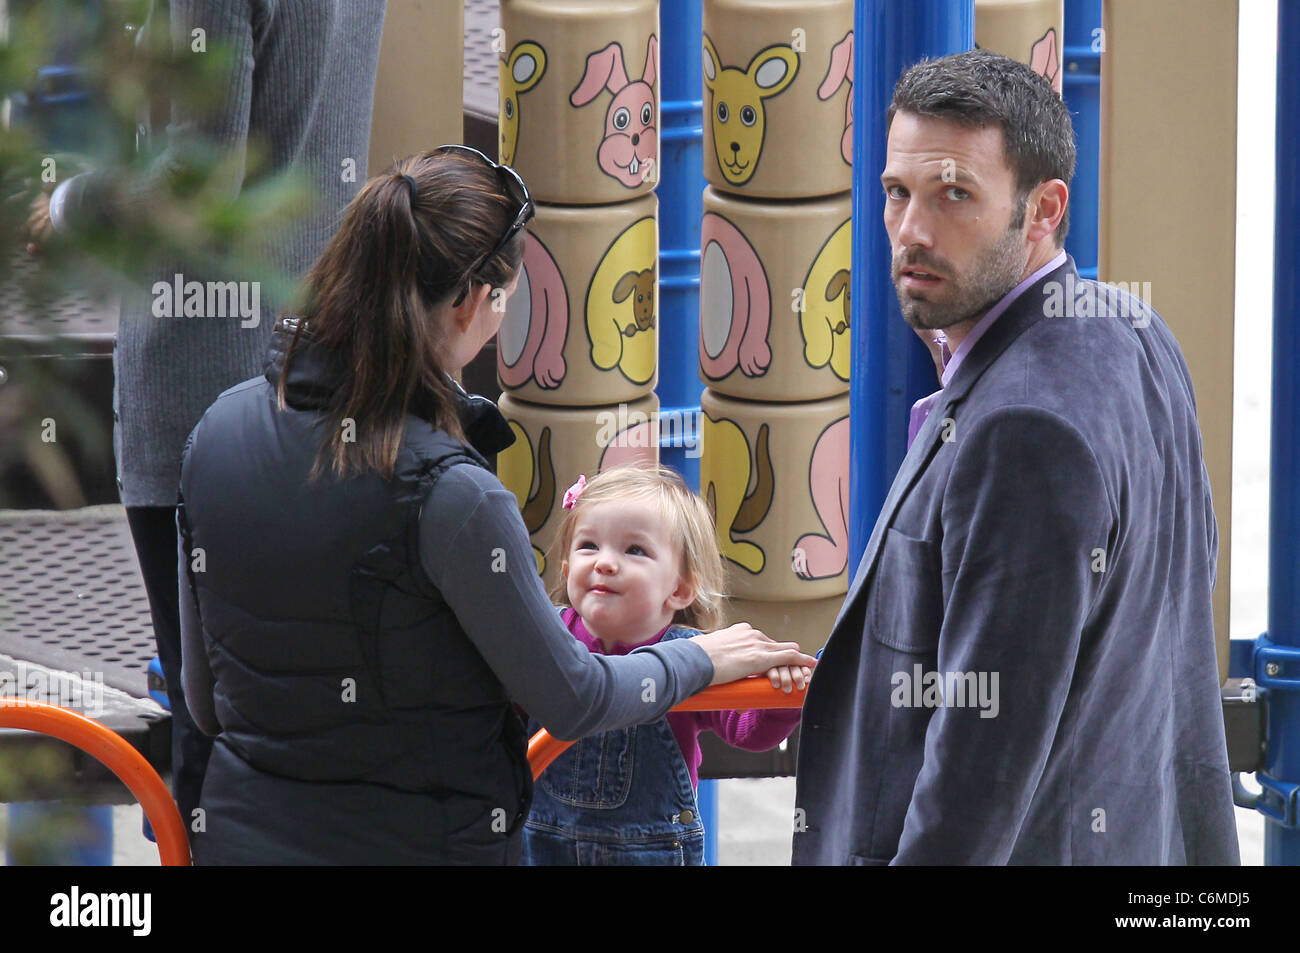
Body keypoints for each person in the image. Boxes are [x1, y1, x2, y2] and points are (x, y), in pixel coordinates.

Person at [177, 147, 816, 865]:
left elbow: (205, 700)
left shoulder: (214, 433)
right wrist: (699, 658)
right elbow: (572, 698)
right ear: (474, 300)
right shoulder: (451, 495)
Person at [792, 50, 1239, 865]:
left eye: (956, 195)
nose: (912, 232)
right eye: (898, 193)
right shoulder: (1132, 329)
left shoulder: (1022, 430)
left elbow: (974, 783)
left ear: (1043, 210)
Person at [29, 0, 389, 831]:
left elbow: (195, 179)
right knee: (285, 714)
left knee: (207, 714)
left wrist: (67, 208)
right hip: (320, 356)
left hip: (203, 382)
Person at [521, 466, 808, 866]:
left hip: (651, 852)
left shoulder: (696, 655)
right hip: (539, 844)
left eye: (634, 550)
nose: (604, 562)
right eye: (589, 545)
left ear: (680, 588)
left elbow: (747, 731)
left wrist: (782, 698)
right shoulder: (543, 636)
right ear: (567, 570)